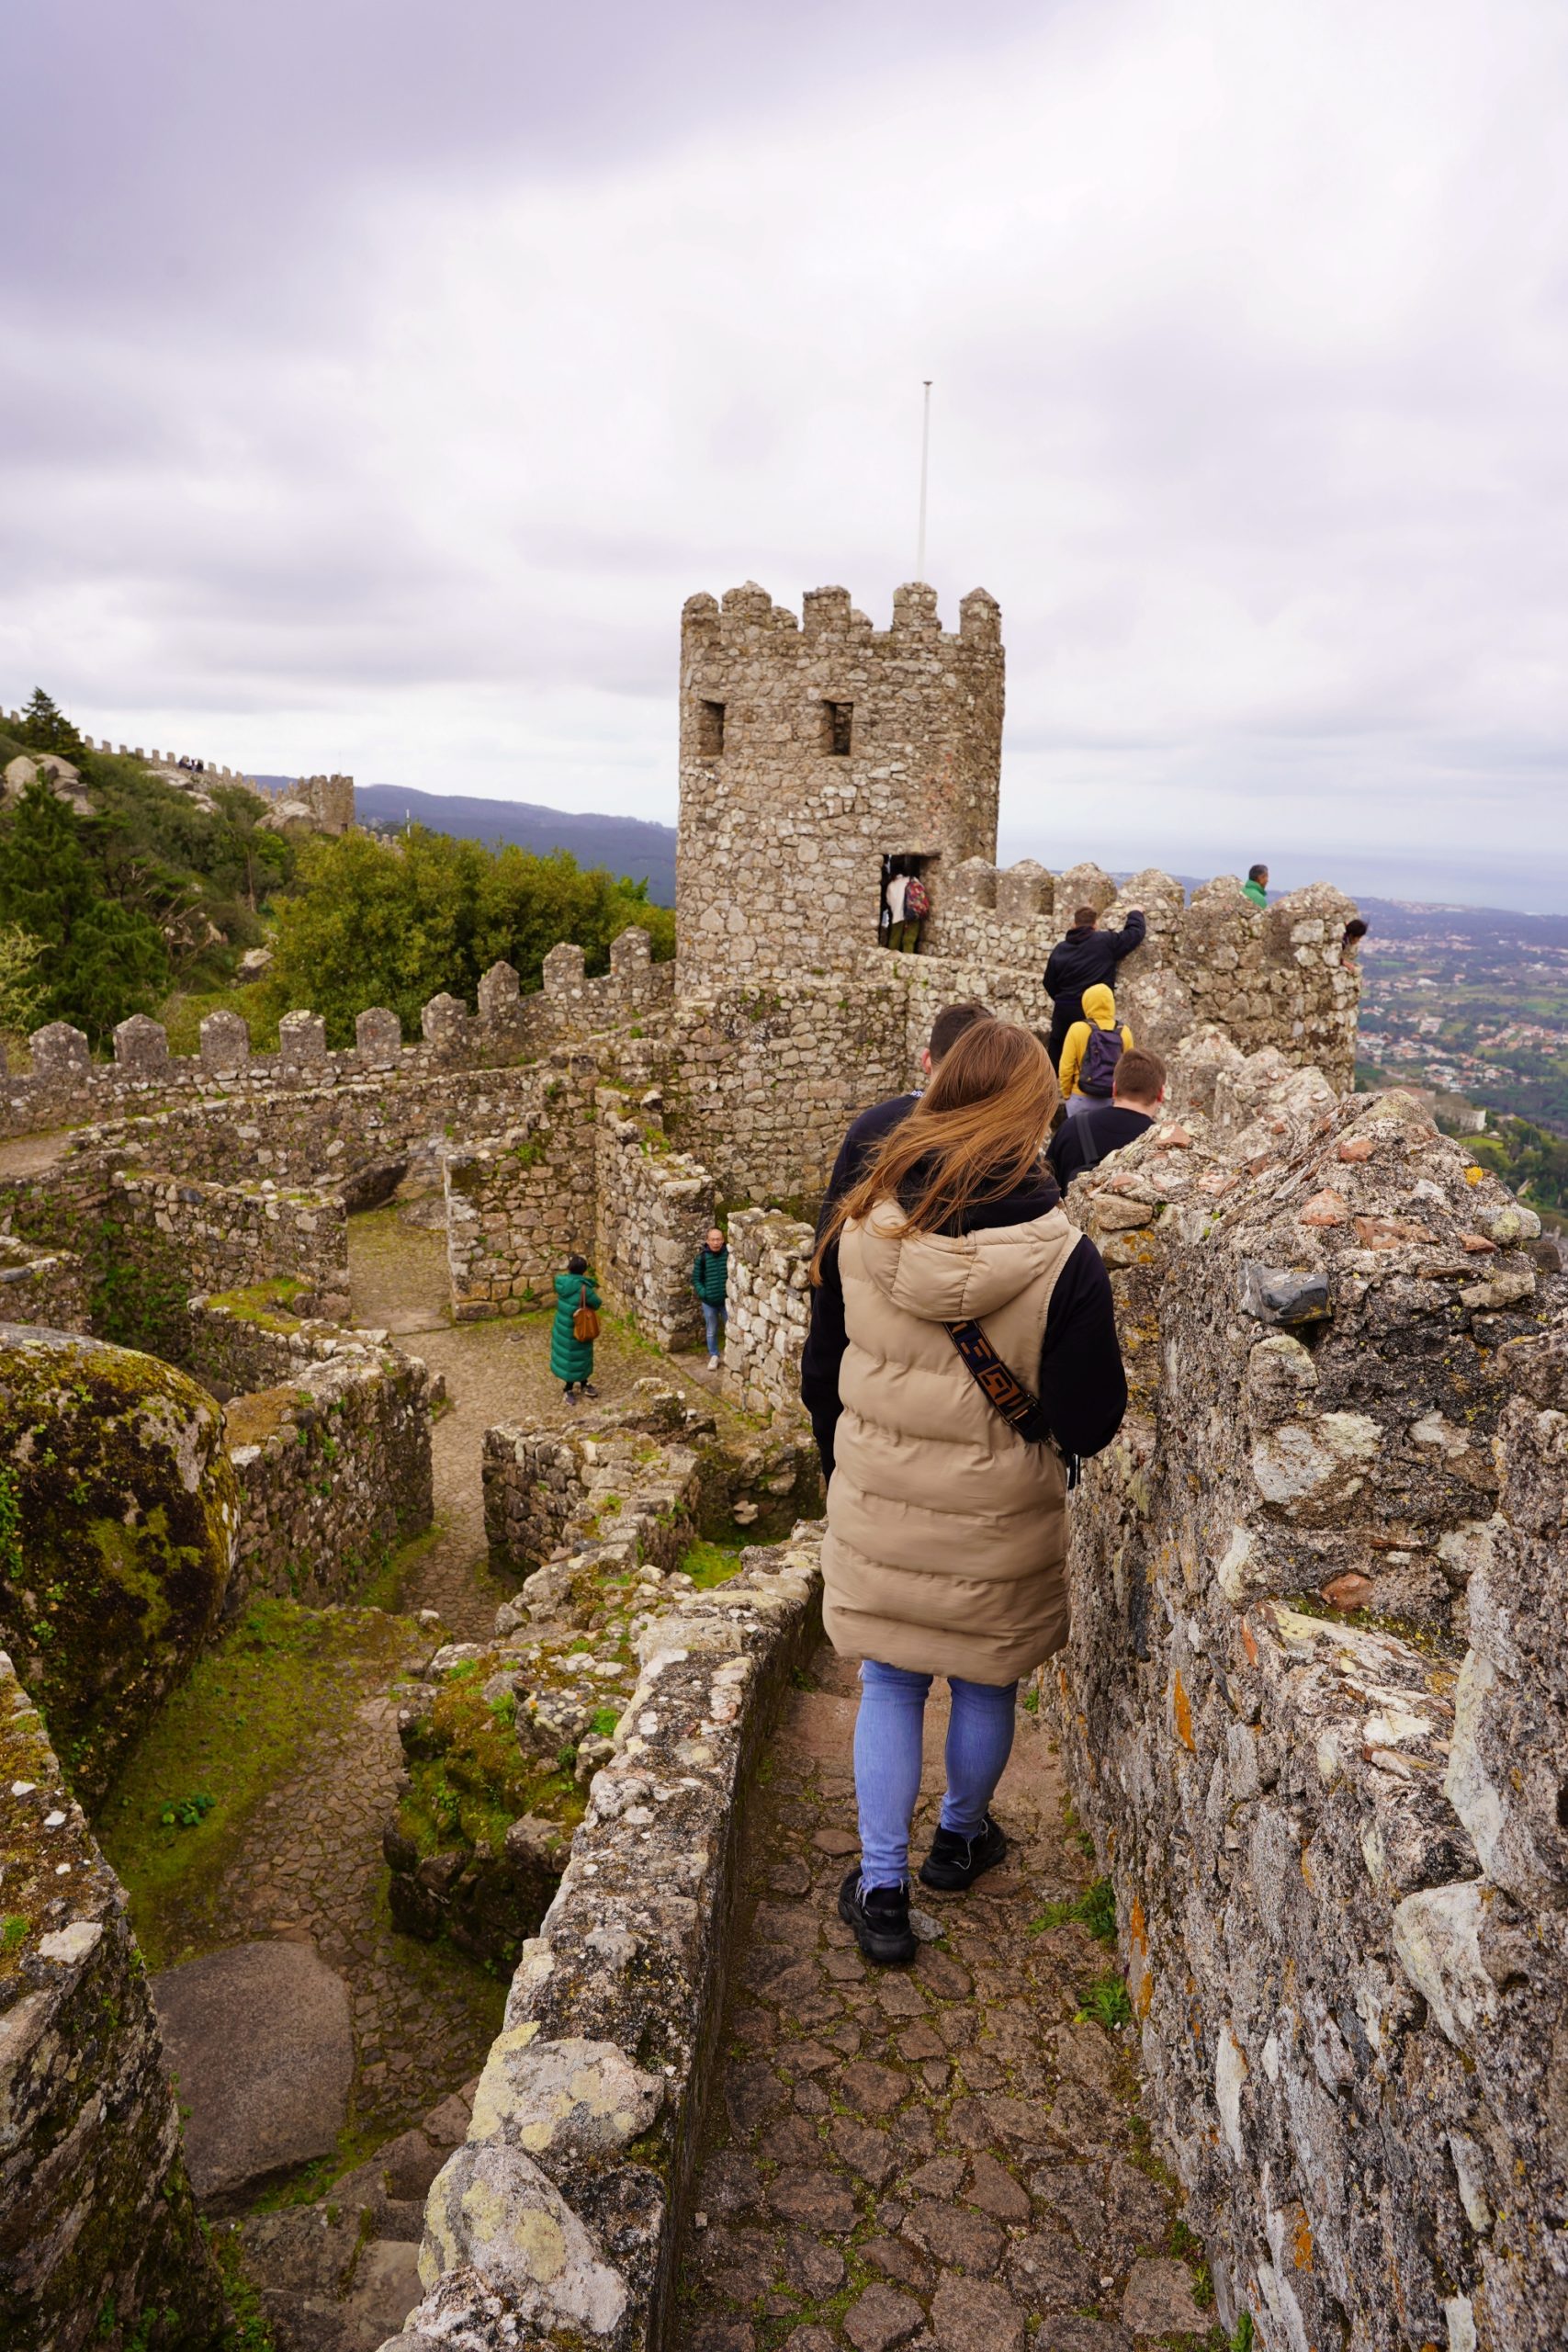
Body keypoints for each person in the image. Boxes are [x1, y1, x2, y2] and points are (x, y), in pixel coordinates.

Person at [807, 1019, 1127, 1965]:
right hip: (1000, 1518)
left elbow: (821, 1369)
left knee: (890, 1680)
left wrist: (842, 1472)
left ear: (940, 1092)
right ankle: (957, 1842)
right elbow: (1090, 1423)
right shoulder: (1064, 1258)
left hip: (879, 1499)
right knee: (987, 1679)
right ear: (1035, 1115)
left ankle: (881, 1890)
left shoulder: (862, 1225)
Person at [801, 1001, 992, 1476]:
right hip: (979, 1409)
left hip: (871, 1387)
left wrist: (822, 1393)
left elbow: (830, 1262)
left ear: (928, 1060)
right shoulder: (1010, 1147)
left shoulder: (875, 1130)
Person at [1042, 902, 1145, 1069]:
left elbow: (1049, 982)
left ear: (1074, 924)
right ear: (1095, 925)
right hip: (1093, 1013)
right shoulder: (1105, 942)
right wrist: (1135, 913)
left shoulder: (1060, 949)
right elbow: (1134, 934)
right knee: (1093, 1059)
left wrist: (1064, 999)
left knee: (1057, 1056)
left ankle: (1052, 1083)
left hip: (1064, 1011)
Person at [1048, 1047, 1167, 1184]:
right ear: (1161, 1094)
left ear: (1114, 1088)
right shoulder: (1164, 1145)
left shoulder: (1072, 1128)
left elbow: (1043, 1185)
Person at [1057, 984, 1133, 1118]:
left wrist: (1067, 1094)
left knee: (1078, 1131)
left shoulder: (1077, 1029)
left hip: (1080, 1096)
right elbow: (1129, 1070)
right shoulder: (1124, 1031)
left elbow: (1066, 1068)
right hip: (1110, 1098)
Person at [550, 1251, 601, 1403]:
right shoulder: (583, 1288)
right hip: (579, 1327)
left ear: (569, 1268)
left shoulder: (562, 1283)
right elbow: (597, 1303)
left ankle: (580, 1385)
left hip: (563, 1326)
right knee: (578, 1357)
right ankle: (569, 1388)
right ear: (583, 1270)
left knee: (572, 1357)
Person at [692, 1225, 728, 1369]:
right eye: (713, 1239)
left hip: (726, 1302)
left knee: (730, 1329)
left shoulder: (729, 1255)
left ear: (723, 1240)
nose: (716, 1242)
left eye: (718, 1239)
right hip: (709, 1303)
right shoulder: (702, 1258)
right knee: (711, 1331)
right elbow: (696, 1279)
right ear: (707, 1241)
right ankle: (714, 1356)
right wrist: (704, 1293)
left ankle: (730, 1354)